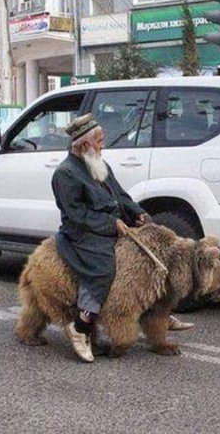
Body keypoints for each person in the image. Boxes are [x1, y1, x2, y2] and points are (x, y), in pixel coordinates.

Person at [52, 113, 193, 363]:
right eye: (100, 141)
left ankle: (156, 310)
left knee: (154, 254)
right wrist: (111, 223)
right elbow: (76, 215)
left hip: (114, 225)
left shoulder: (99, 165)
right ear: (84, 145)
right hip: (83, 234)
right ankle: (81, 326)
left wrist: (139, 214)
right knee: (104, 269)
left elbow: (121, 196)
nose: (103, 145)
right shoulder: (65, 174)